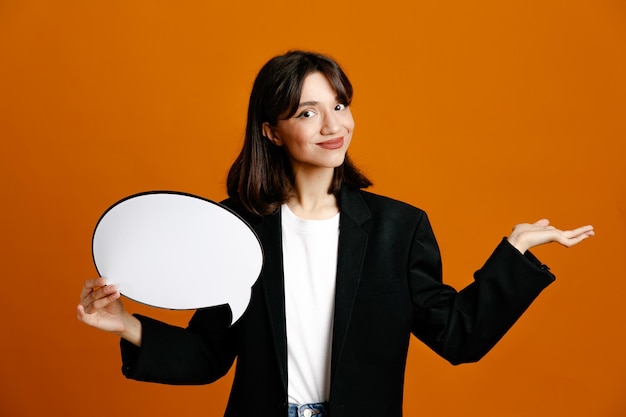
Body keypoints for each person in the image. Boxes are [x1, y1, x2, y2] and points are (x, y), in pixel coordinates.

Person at [77, 50, 594, 417]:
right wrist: (125, 324)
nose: (333, 125)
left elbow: (458, 337)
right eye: (308, 111)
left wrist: (516, 252)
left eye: (339, 106)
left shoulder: (398, 228)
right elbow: (209, 355)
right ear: (271, 131)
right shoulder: (236, 227)